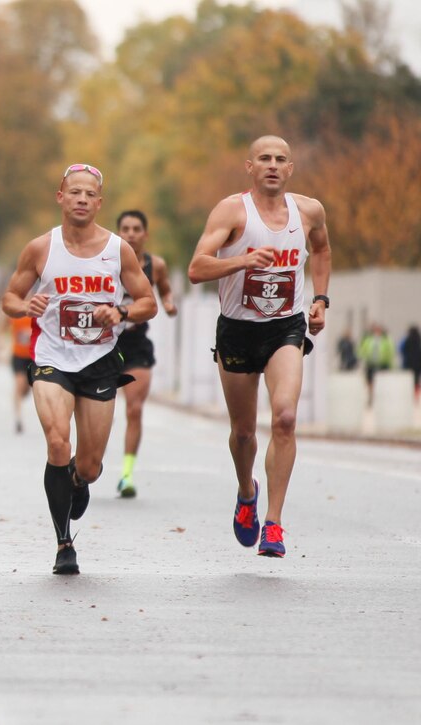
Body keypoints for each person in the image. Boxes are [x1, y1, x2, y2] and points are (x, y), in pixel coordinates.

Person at [2, 163, 157, 575]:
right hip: (52, 358)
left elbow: (148, 303)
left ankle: (78, 479)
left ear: (99, 202)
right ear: (61, 197)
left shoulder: (117, 249)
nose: (82, 199)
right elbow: (11, 298)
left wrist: (120, 310)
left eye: (90, 194)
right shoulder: (40, 249)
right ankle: (63, 543)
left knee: (88, 465)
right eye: (75, 193)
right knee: (57, 443)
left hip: (100, 362)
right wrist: (26, 306)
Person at [187, 135, 331, 558]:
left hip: (285, 327)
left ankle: (274, 523)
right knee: (244, 431)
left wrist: (320, 300)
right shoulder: (232, 210)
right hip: (236, 329)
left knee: (285, 417)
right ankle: (246, 490)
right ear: (249, 167)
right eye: (264, 158)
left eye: (280, 159)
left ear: (291, 169)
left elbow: (321, 250)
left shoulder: (309, 210)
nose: (272, 165)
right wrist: (241, 261)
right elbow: (197, 268)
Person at [113, 210, 178, 498]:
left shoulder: (156, 265)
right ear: (117, 233)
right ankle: (85, 463)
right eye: (125, 228)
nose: (130, 233)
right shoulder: (106, 261)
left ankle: (127, 474)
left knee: (134, 409)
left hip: (137, 344)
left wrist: (169, 303)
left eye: (136, 228)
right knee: (94, 408)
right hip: (104, 343)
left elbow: (164, 290)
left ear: (145, 234)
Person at [8, 314, 34, 434]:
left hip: (32, 358)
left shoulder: (37, 314)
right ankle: (18, 418)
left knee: (27, 387)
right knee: (19, 384)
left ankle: (23, 392)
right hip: (18, 356)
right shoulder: (15, 315)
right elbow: (3, 327)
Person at [358, 324, 394, 407]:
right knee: (370, 382)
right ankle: (371, 397)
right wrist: (363, 357)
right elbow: (362, 349)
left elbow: (390, 351)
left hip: (382, 364)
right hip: (371, 363)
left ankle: (381, 398)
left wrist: (390, 364)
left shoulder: (385, 340)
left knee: (382, 382)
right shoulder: (369, 339)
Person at [399, 325, 421, 401]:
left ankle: (409, 395)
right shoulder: (419, 340)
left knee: (408, 381)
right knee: (416, 381)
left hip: (407, 363)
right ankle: (416, 396)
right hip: (418, 364)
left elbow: (400, 349)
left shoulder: (406, 340)